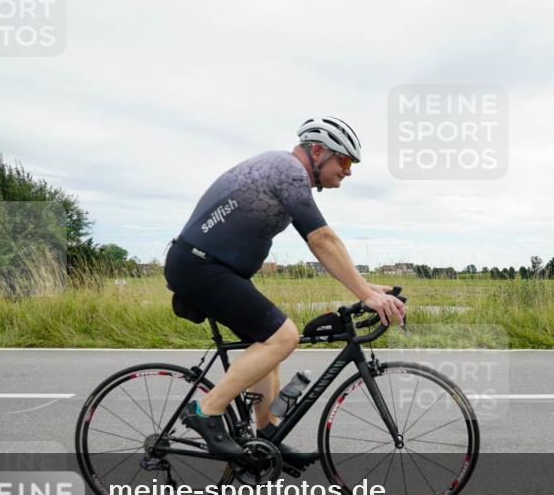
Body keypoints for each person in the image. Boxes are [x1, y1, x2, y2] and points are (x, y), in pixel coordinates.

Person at [164, 117, 406, 470]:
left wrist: (366, 288)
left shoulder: (284, 173)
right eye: (346, 161)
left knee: (268, 344)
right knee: (284, 336)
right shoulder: (287, 170)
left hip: (212, 267)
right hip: (200, 266)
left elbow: (321, 245)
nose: (348, 172)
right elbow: (322, 240)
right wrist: (367, 295)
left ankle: (266, 438)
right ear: (319, 151)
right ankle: (206, 410)